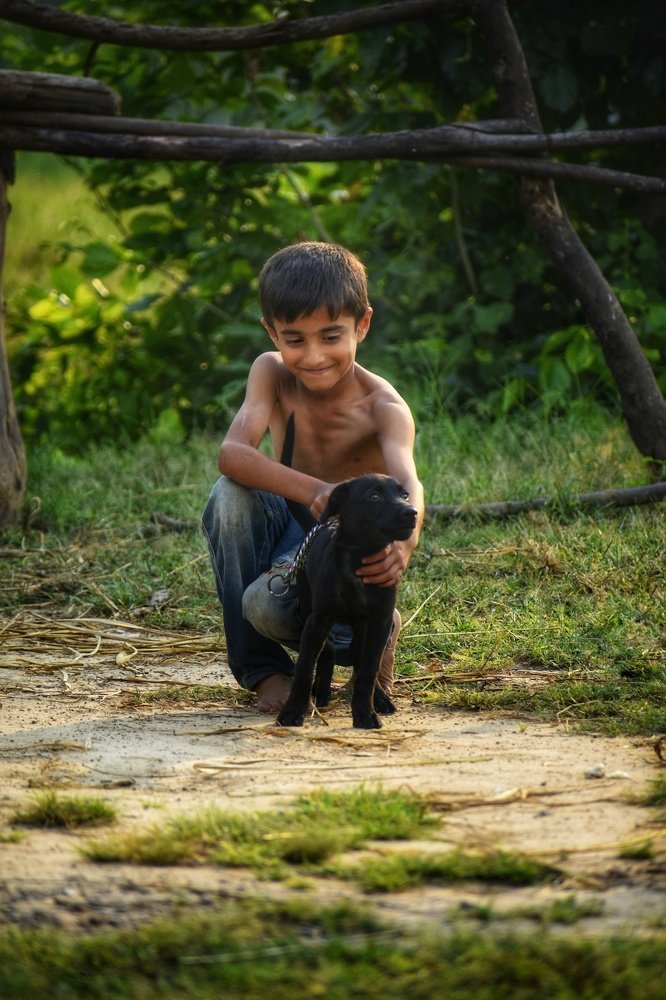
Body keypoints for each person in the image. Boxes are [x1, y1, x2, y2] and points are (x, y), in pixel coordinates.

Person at [202, 241, 424, 713]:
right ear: (271, 332)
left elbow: (409, 484)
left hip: (341, 541)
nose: (314, 356)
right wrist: (318, 490)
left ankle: (376, 633)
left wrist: (405, 542)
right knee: (230, 496)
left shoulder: (383, 407)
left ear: (362, 324)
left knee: (268, 606)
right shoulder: (270, 372)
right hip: (290, 519)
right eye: (294, 339)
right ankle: (264, 671)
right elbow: (232, 454)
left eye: (330, 336)